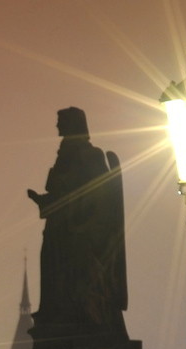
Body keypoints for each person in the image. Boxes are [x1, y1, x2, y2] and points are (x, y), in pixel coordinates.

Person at [27, 107, 127, 331]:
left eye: (61, 121)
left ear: (73, 124)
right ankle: (54, 312)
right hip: (58, 228)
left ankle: (84, 315)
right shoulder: (63, 156)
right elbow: (60, 194)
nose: (57, 125)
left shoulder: (92, 156)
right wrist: (42, 200)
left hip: (80, 230)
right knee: (52, 265)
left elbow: (101, 195)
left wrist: (82, 222)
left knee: (78, 273)